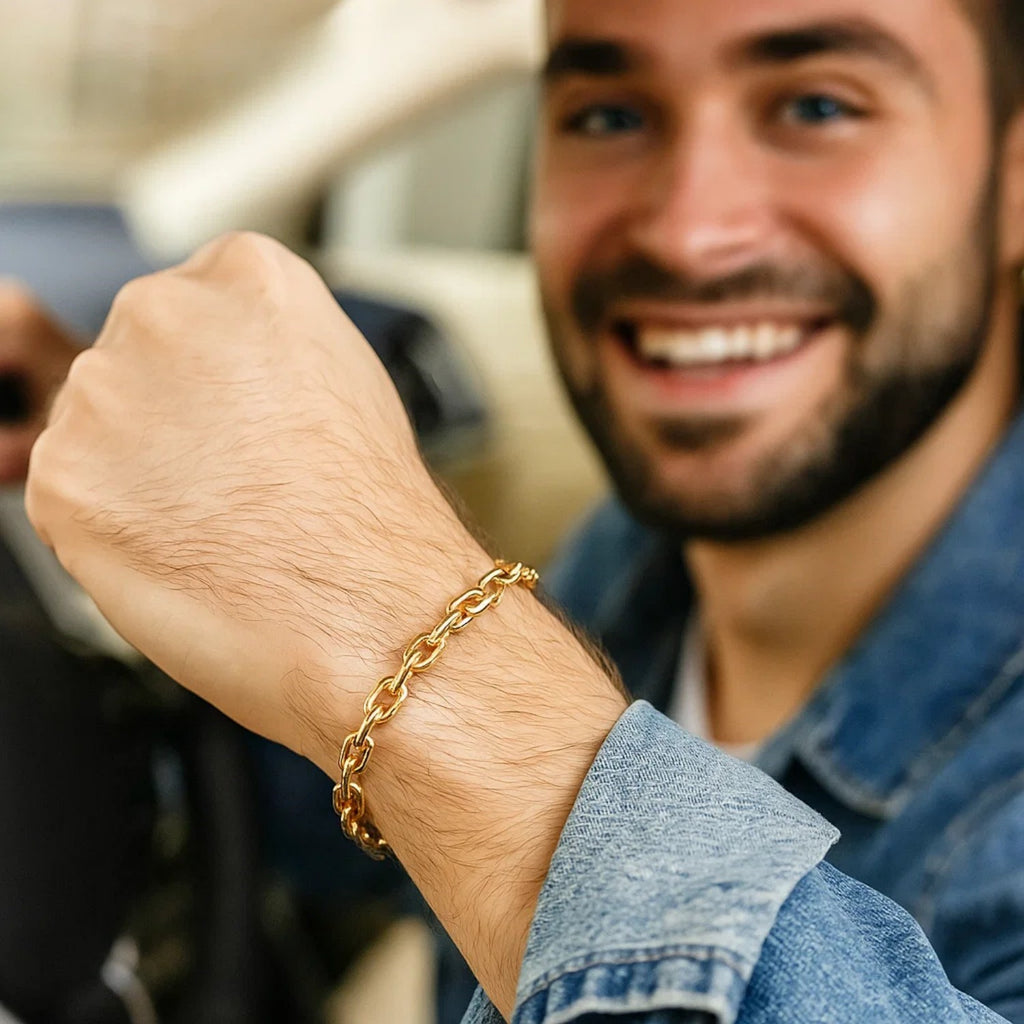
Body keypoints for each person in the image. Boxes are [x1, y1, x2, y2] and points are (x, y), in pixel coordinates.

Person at [22, 1, 1024, 1023]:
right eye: (607, 115)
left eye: (816, 106)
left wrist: (394, 617)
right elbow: (344, 827)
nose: (687, 232)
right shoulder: (638, 563)